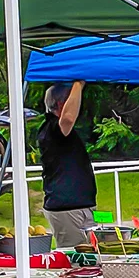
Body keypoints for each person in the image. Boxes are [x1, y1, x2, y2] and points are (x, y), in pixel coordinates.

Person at [38, 81, 97, 248]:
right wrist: (79, 84)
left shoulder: (56, 130)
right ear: (60, 104)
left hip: (79, 205)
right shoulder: (52, 129)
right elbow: (68, 118)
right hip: (67, 207)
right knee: (74, 255)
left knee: (92, 253)